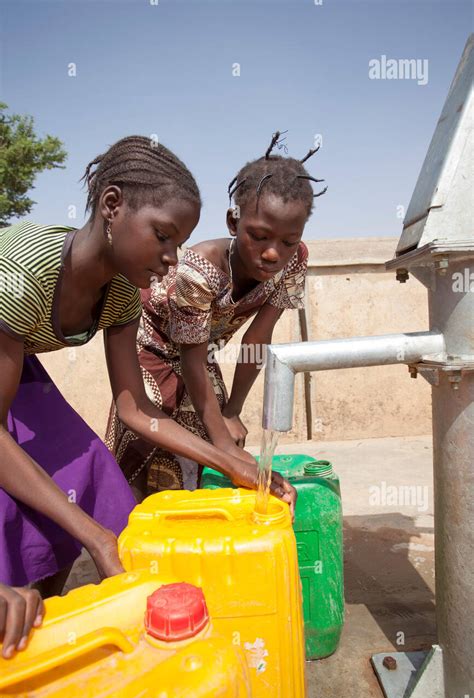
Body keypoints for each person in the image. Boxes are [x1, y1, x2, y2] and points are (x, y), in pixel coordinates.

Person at [0, 135, 293, 621]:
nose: (172, 259)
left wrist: (232, 464)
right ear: (112, 204)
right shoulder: (21, 272)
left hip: (15, 365)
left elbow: (136, 409)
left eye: (178, 244)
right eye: (163, 236)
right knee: (21, 508)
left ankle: (46, 616)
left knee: (90, 474)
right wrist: (94, 537)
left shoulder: (118, 293)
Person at [107, 131, 326, 499]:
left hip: (200, 354)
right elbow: (189, 361)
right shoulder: (199, 269)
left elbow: (258, 339)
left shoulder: (295, 261)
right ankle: (131, 520)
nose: (273, 253)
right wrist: (225, 448)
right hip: (153, 347)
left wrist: (232, 410)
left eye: (288, 241)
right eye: (258, 236)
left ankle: (199, 534)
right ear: (232, 223)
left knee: (213, 444)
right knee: (149, 436)